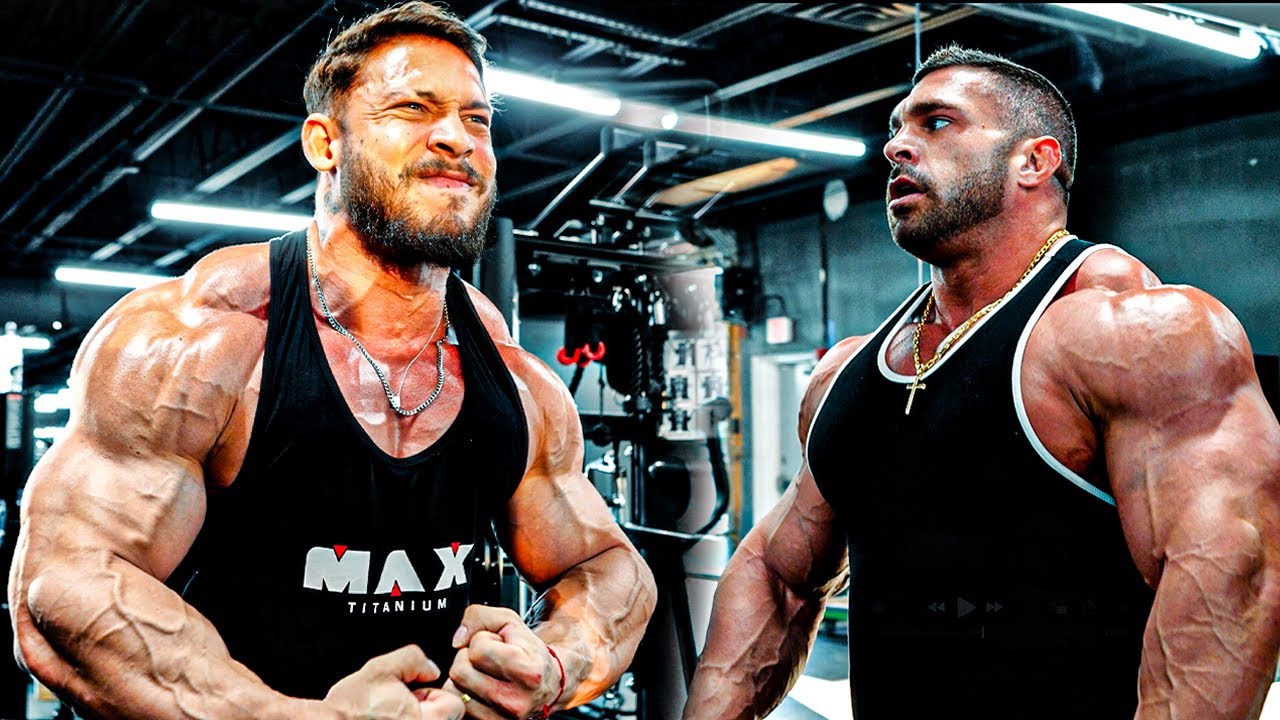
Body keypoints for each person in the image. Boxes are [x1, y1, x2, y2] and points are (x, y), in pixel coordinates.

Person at [8, 3, 655, 719]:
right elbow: (64, 589)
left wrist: (557, 661)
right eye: (413, 108)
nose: (457, 137)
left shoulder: (512, 377)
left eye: (476, 119)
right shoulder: (207, 340)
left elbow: (609, 567)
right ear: (325, 143)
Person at [684, 45, 1280, 719]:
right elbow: (777, 575)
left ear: (1035, 161)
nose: (896, 147)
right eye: (896, 128)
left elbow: (1235, 579)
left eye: (937, 122)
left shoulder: (1139, 332)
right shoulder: (846, 373)